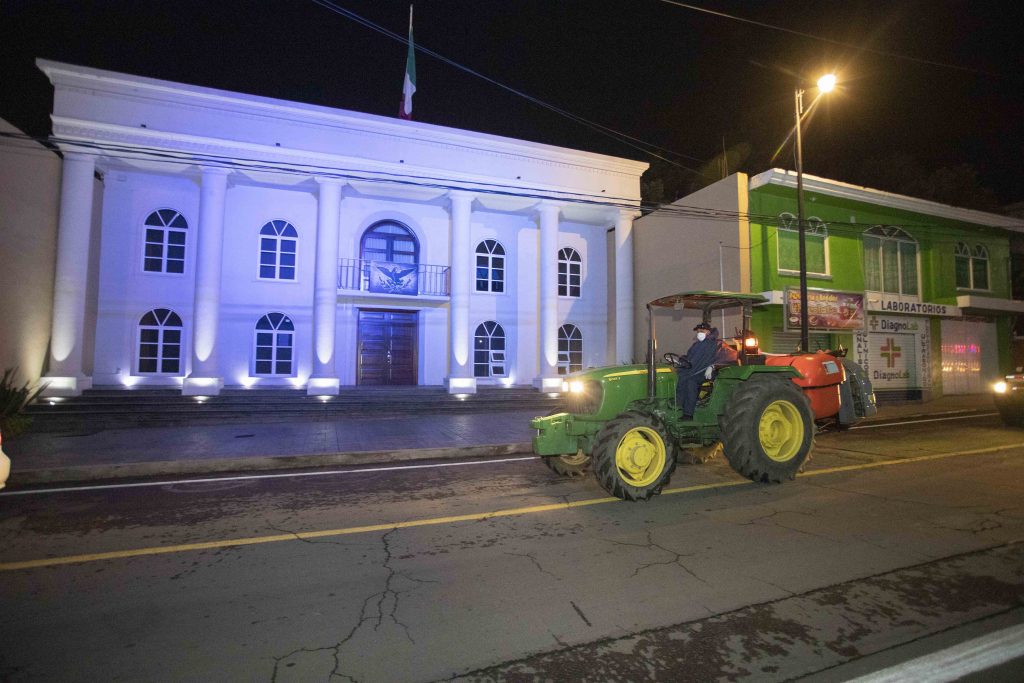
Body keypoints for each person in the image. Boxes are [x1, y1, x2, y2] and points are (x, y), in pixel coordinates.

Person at [676, 322, 738, 418]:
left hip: (707, 372)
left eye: (702, 331)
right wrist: (681, 360)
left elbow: (731, 356)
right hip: (694, 370)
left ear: (708, 331)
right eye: (698, 331)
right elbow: (690, 358)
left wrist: (713, 366)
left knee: (690, 381)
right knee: (679, 377)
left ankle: (688, 413)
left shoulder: (718, 344)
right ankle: (677, 405)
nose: (699, 333)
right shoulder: (696, 345)